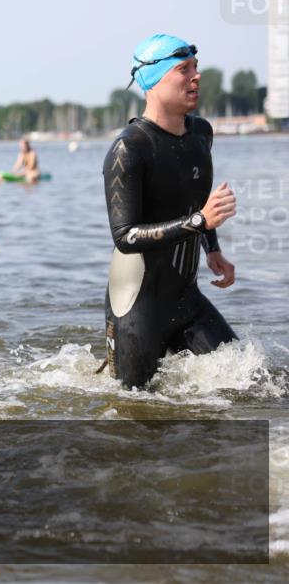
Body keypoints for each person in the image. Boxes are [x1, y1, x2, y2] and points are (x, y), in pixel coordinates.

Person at [100, 34, 237, 388]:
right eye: (183, 69)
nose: (196, 77)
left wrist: (213, 249)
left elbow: (197, 202)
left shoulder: (201, 134)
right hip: (137, 307)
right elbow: (126, 236)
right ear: (153, 79)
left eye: (196, 67)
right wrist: (199, 221)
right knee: (134, 412)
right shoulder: (128, 149)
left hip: (187, 298)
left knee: (253, 383)